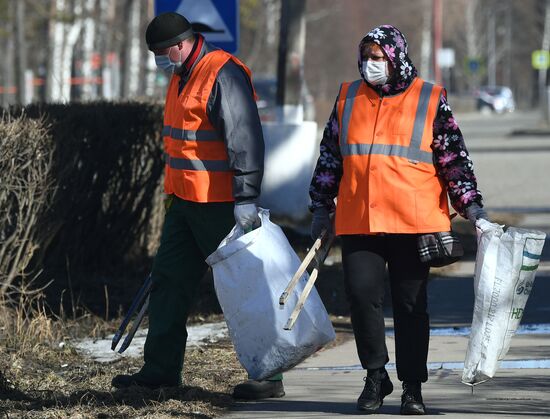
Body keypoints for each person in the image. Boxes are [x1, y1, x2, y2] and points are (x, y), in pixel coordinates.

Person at [309, 25, 488, 415]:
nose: (371, 65)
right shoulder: (347, 97)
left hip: (413, 221)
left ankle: (412, 386)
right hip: (360, 219)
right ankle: (376, 374)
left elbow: (453, 159)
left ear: (397, 57)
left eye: (379, 57)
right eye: (367, 57)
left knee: (410, 305)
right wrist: (321, 206)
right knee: (361, 298)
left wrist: (471, 207)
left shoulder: (429, 97)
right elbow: (329, 157)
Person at [111, 12, 284, 400]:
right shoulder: (180, 75)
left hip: (221, 204)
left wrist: (246, 197)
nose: (159, 58)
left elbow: (245, 139)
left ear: (179, 45)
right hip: (184, 203)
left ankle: (269, 375)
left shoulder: (222, 73)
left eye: (160, 51)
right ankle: (160, 371)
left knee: (243, 290)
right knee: (168, 282)